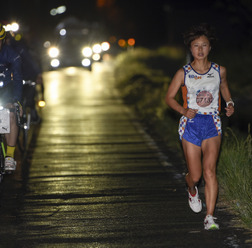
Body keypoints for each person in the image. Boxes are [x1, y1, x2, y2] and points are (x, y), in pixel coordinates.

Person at [165, 23, 234, 230]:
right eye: (196, 46)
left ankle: (210, 217)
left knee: (210, 171)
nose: (201, 49)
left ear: (210, 47)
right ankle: (192, 189)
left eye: (204, 45)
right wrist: (183, 111)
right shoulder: (183, 73)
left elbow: (224, 89)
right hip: (191, 124)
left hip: (212, 122)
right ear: (191, 48)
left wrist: (229, 103)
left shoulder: (219, 70)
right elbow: (169, 98)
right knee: (195, 176)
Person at [0, 23, 23, 171]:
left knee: (10, 116)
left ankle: (9, 156)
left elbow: (18, 79)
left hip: (7, 90)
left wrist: (17, 101)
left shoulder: (11, 54)